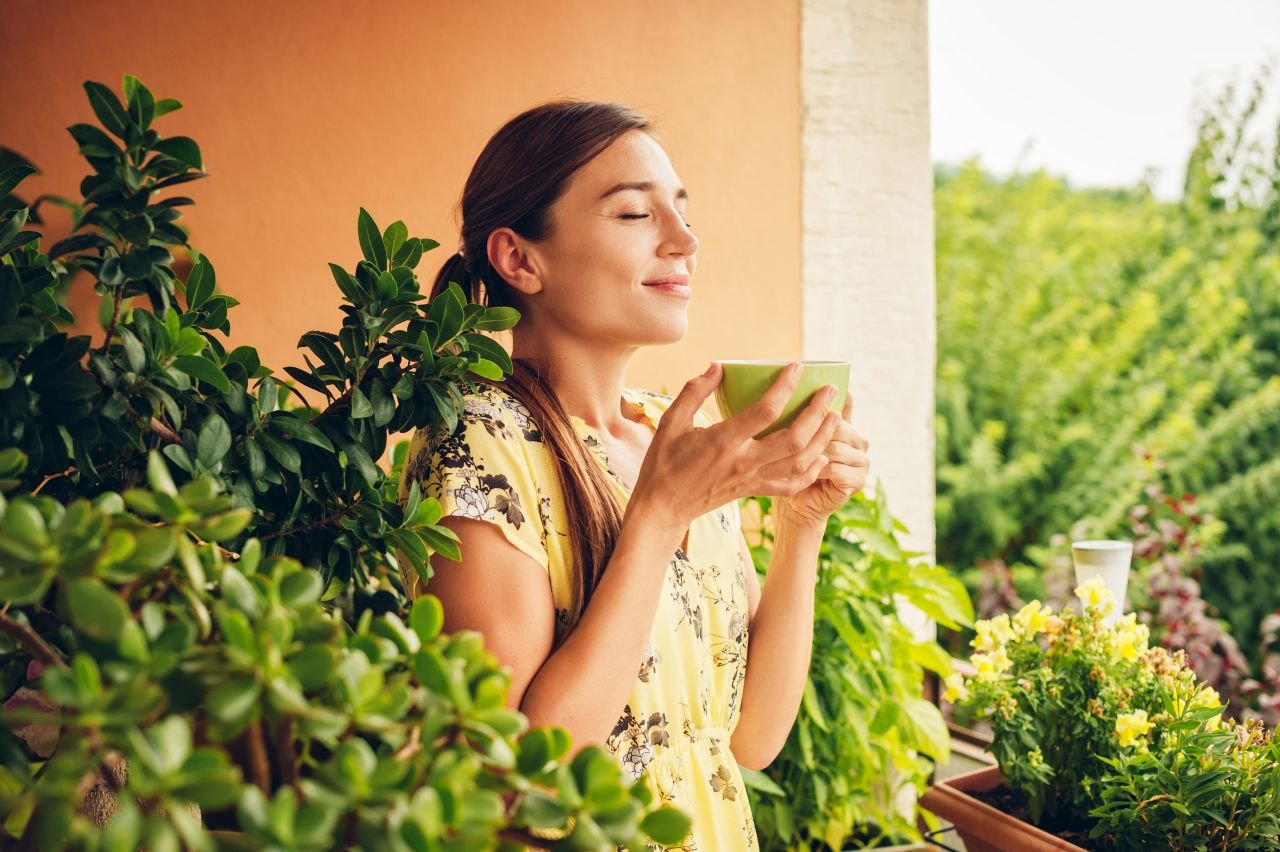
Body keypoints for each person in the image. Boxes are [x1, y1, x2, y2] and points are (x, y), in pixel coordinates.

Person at [398, 100, 871, 850]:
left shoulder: (669, 435)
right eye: (632, 215)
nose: (684, 242)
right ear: (520, 259)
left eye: (681, 213)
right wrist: (656, 518)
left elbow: (748, 740)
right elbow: (521, 774)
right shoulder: (478, 445)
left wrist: (803, 523)